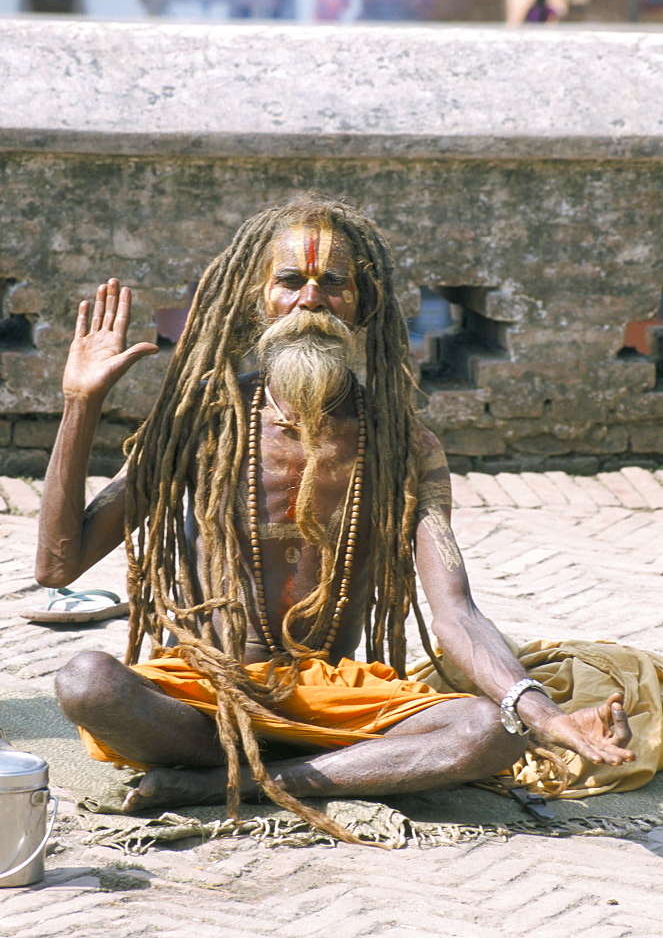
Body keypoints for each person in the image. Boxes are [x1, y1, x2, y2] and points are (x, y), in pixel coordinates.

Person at [36, 198, 634, 843]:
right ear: (258, 299)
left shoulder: (403, 446)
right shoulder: (197, 427)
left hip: (336, 698)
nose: (311, 300)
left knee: (489, 731)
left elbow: (456, 613)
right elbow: (58, 567)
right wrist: (80, 404)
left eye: (335, 284)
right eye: (291, 281)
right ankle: (334, 772)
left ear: (362, 304)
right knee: (87, 683)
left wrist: (544, 715)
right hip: (206, 691)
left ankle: (225, 782)